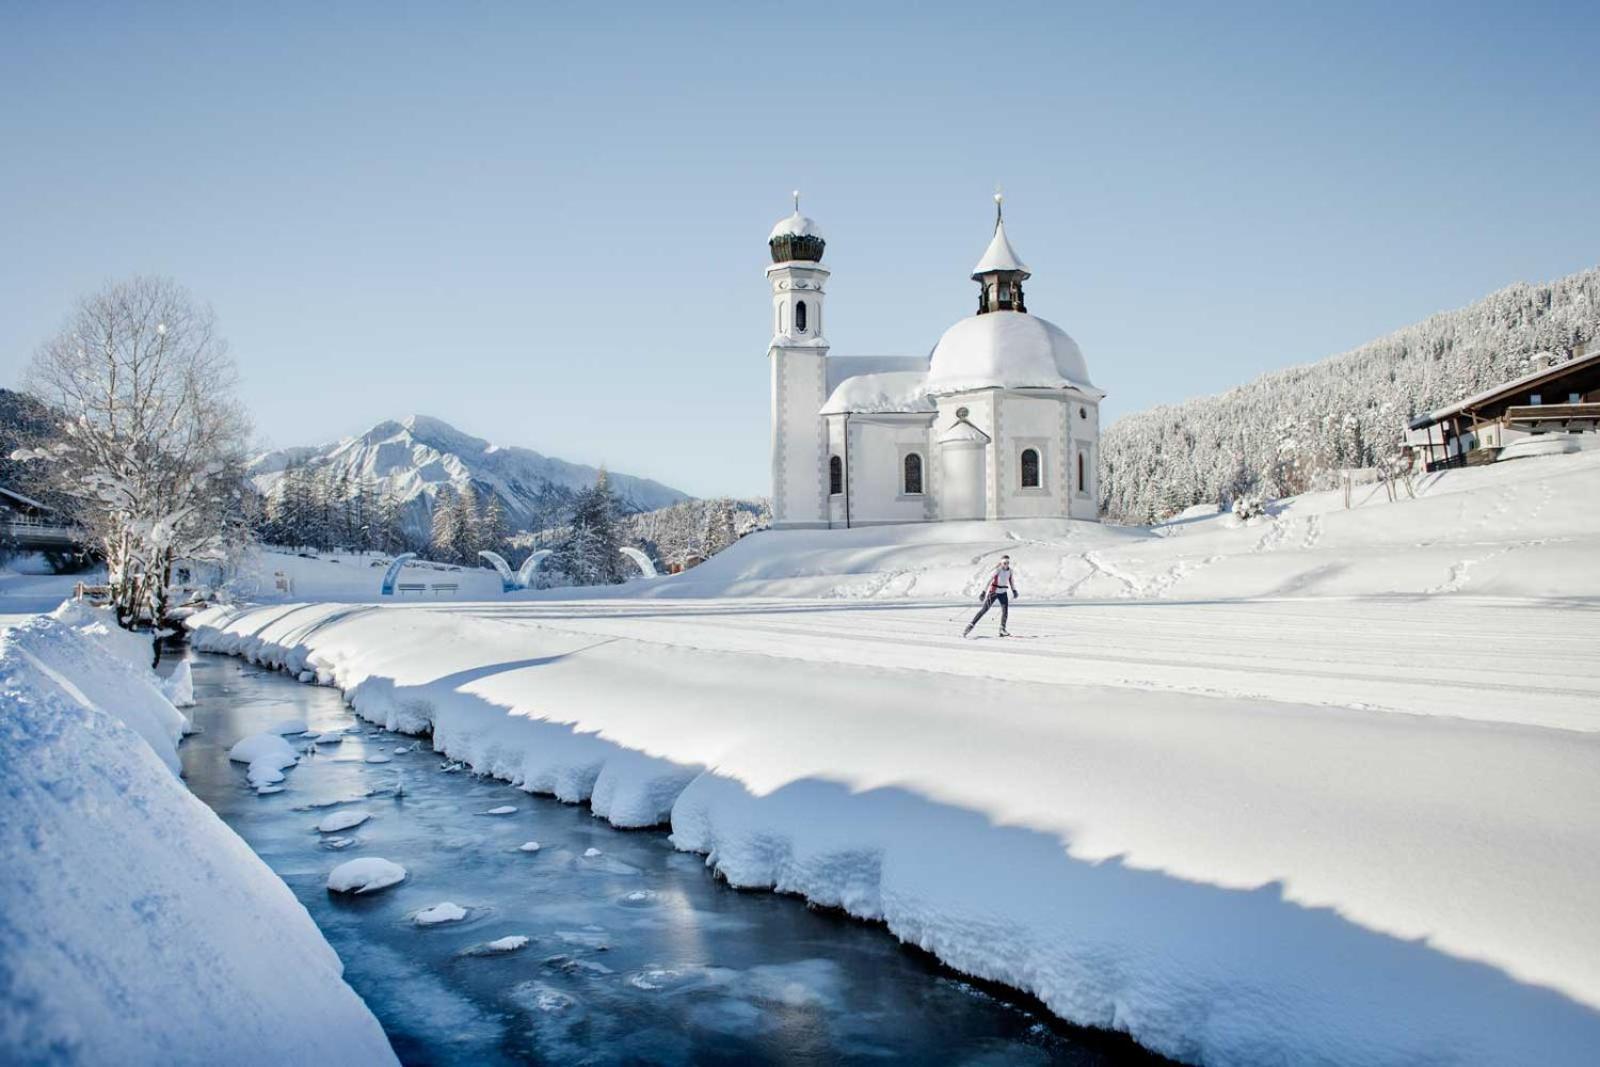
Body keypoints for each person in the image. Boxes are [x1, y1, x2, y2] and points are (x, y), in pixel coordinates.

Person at [964, 555, 1018, 637]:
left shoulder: (1010, 571)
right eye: (1004, 563)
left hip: (1003, 593)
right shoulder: (997, 570)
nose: (1006, 564)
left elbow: (1011, 581)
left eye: (1007, 563)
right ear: (1001, 563)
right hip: (994, 592)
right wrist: (983, 592)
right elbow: (988, 581)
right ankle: (971, 625)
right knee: (984, 610)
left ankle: (1002, 629)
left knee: (1005, 611)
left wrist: (1014, 590)